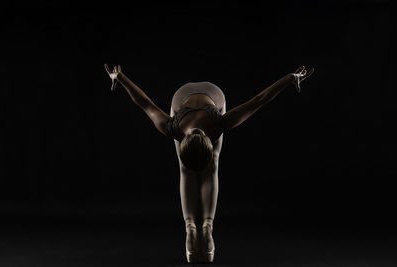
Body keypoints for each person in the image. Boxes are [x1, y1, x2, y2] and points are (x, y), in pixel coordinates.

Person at [104, 64, 314, 263]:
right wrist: (289, 78)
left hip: (189, 96)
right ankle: (207, 227)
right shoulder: (218, 124)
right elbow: (259, 100)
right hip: (210, 94)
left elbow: (144, 103)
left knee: (185, 169)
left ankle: (190, 230)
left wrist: (121, 78)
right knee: (212, 165)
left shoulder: (173, 128)